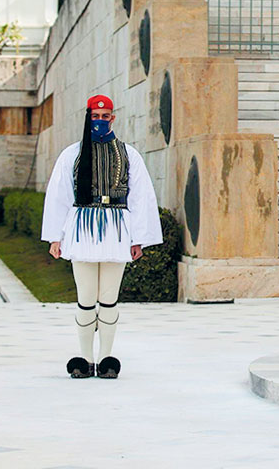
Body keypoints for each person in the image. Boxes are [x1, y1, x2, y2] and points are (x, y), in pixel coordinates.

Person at [42, 95, 163, 379]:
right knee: (86, 298)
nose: (100, 121)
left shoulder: (128, 154)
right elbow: (59, 195)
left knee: (109, 298)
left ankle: (106, 358)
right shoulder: (72, 154)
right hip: (82, 229)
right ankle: (85, 359)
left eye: (105, 116)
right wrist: (55, 237)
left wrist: (138, 239)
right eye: (95, 117)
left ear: (113, 118)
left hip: (116, 229)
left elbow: (140, 196)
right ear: (88, 118)